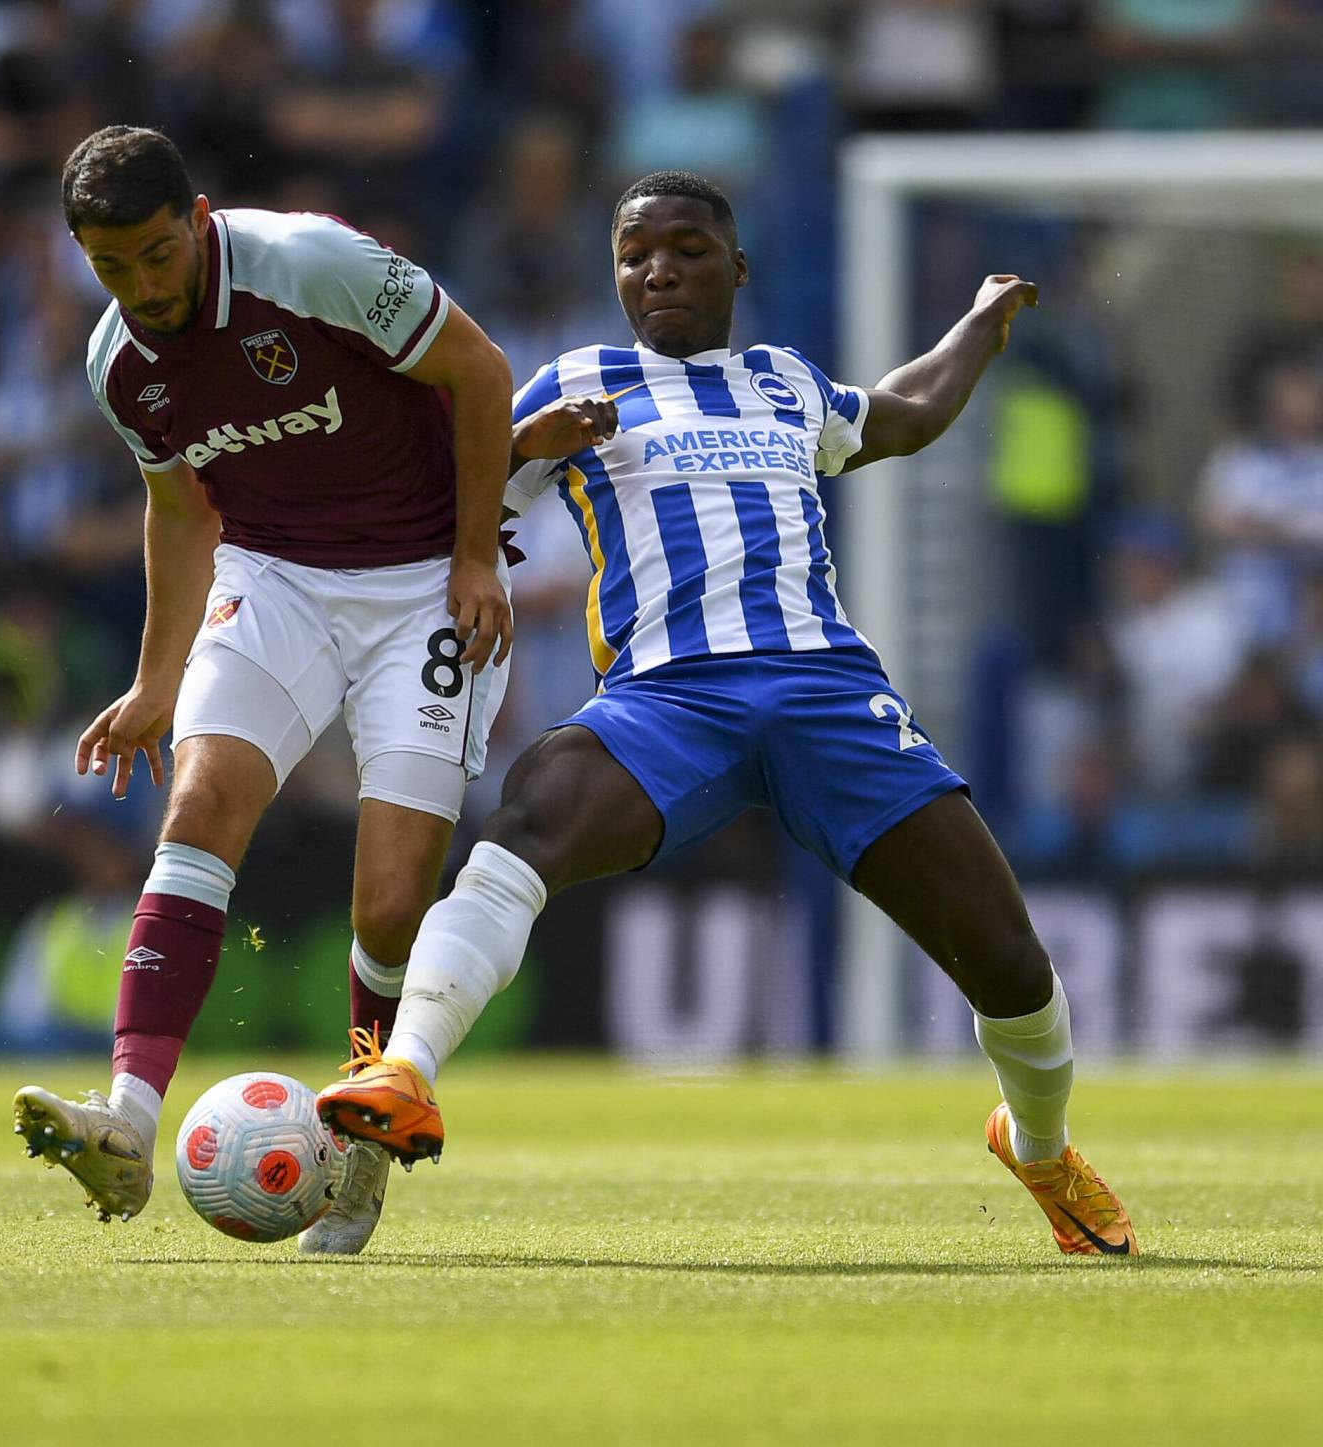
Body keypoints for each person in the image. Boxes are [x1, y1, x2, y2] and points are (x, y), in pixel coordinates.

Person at [319, 171, 1137, 1257]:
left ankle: (1038, 1146)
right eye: (634, 253)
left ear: (737, 268)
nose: (658, 269)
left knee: (1010, 963)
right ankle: (404, 1071)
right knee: (524, 822)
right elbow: (447, 506)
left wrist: (981, 323)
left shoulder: (786, 383)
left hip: (826, 691)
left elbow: (903, 413)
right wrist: (525, 447)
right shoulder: (576, 380)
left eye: (688, 249)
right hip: (668, 698)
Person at [12, 127, 515, 1255]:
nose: (140, 288)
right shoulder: (117, 365)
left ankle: (365, 1149)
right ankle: (128, 1125)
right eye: (108, 268)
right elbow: (183, 508)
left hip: (422, 581)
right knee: (195, 812)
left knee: (388, 904)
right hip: (273, 575)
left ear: (196, 222)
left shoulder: (312, 264)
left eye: (154, 256)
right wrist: (153, 679)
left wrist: (476, 557)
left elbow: (477, 371)